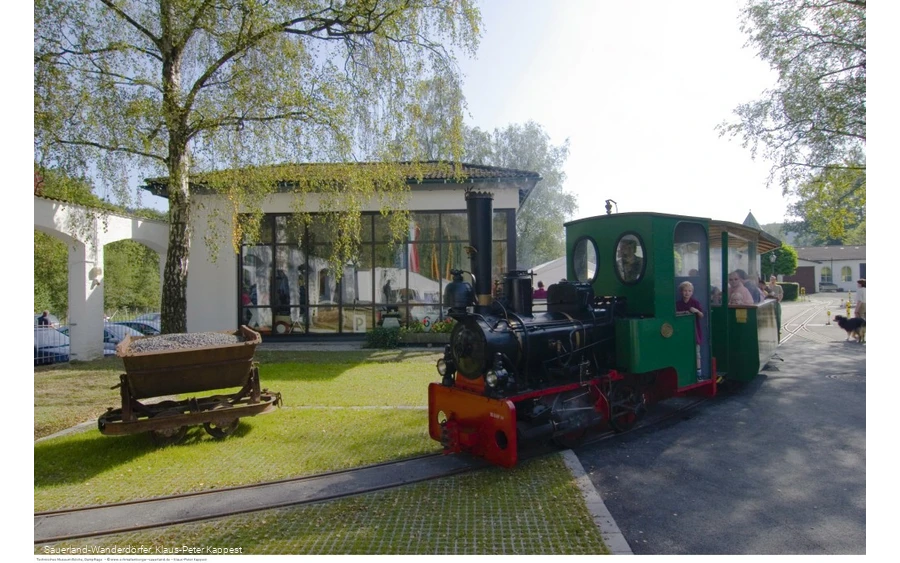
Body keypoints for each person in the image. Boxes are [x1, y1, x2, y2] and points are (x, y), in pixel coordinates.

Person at [676, 281, 705, 378]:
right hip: (682, 332)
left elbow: (701, 315)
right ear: (681, 292)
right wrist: (684, 313)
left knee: (696, 353)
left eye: (689, 291)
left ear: (692, 292)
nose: (687, 293)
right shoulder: (678, 304)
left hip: (694, 332)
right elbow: (674, 314)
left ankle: (698, 373)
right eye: (685, 291)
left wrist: (696, 311)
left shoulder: (695, 303)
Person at [768, 275, 784, 342]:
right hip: (769, 304)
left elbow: (781, 294)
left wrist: (779, 300)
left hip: (776, 303)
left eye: (773, 279)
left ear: (775, 280)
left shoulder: (778, 287)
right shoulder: (768, 287)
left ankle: (778, 330)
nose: (772, 281)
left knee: (778, 317)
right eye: (771, 279)